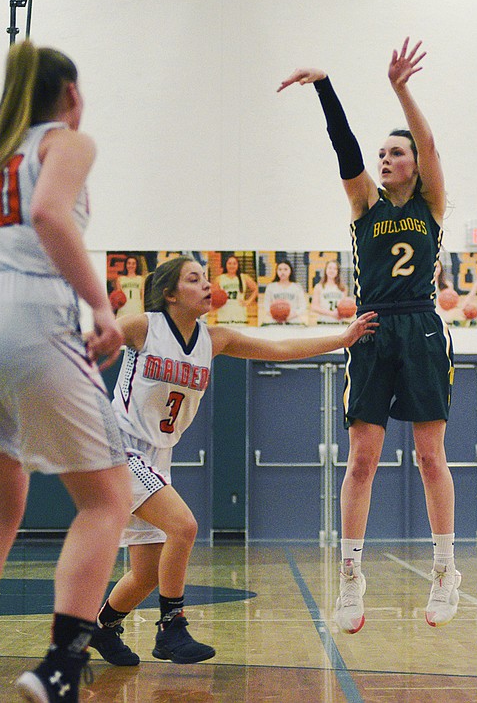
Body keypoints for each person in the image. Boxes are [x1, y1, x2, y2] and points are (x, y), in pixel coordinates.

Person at [0, 41, 133, 703]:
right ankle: (60, 666)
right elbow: (47, 214)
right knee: (106, 500)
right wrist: (100, 306)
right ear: (70, 94)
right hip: (26, 313)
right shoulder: (66, 142)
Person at [91, 256, 378, 666]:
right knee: (184, 527)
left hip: (157, 456)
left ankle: (101, 629)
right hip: (120, 447)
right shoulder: (144, 327)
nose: (207, 285)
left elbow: (278, 348)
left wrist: (341, 339)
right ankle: (172, 628)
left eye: (206, 278)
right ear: (170, 294)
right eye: (194, 279)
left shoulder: (214, 339)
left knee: (147, 574)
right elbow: (92, 339)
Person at [279, 38, 460, 633]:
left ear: (413, 163)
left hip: (423, 327)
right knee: (363, 459)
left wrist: (400, 88)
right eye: (381, 153)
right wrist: (326, 85)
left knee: (430, 455)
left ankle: (444, 569)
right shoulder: (364, 204)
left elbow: (429, 143)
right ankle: (351, 577)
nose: (384, 159)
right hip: (375, 328)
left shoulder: (432, 203)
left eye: (394, 152)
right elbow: (344, 147)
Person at [261, 259, 308, 325]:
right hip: (274, 321)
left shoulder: (297, 287)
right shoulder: (271, 286)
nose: (282, 272)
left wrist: (290, 316)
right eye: (280, 269)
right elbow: (266, 305)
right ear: (276, 271)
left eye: (285, 269)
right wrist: (276, 316)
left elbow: (303, 306)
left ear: (290, 271)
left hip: (293, 321)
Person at [213, 254, 257, 325]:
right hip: (224, 311)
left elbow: (256, 289)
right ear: (226, 265)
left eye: (234, 263)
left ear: (238, 265)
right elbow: (213, 295)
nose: (232, 266)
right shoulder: (219, 278)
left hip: (239, 311)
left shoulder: (244, 277)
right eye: (229, 263)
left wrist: (248, 301)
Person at [310, 259, 349, 323]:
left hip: (339, 322)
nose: (332, 271)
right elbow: (314, 307)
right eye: (329, 268)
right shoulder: (319, 287)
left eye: (335, 269)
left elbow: (344, 307)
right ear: (326, 270)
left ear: (338, 272)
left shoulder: (343, 288)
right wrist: (331, 313)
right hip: (323, 321)